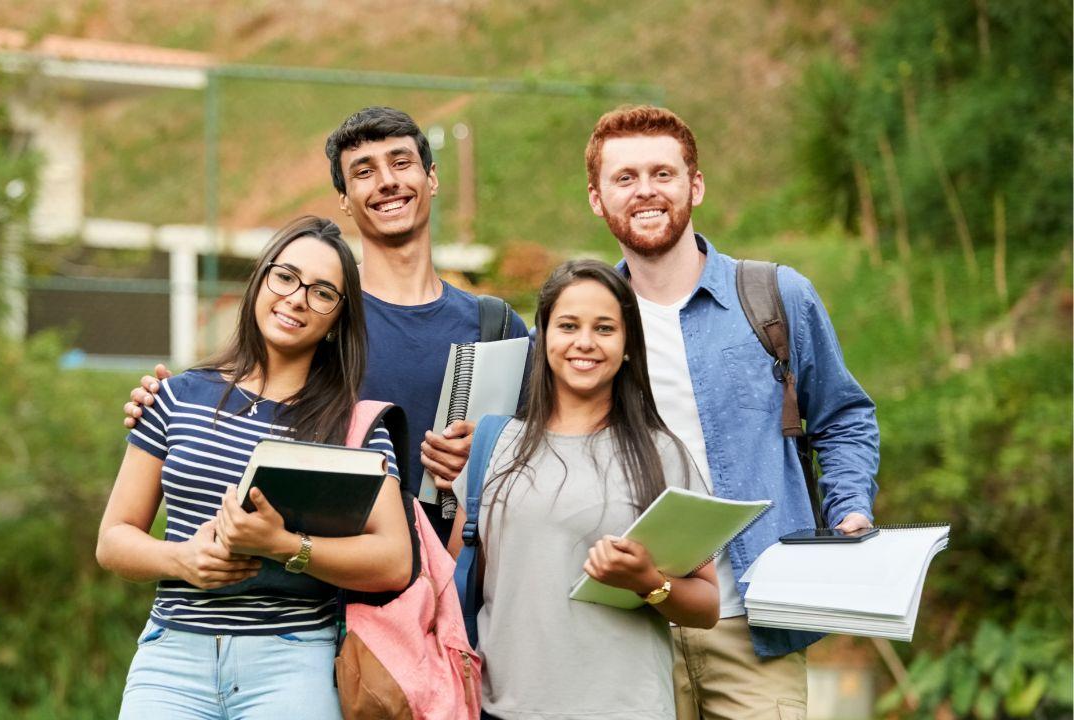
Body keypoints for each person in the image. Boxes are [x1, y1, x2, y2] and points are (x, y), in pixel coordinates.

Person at [584, 105, 880, 719]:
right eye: (625, 177)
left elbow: (844, 418)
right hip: (627, 628)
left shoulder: (775, 296)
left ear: (695, 185)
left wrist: (849, 508)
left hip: (756, 624)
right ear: (597, 198)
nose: (645, 190)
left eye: (662, 173)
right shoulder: (580, 326)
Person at [124, 107, 529, 543]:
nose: (387, 181)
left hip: (458, 590)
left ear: (431, 177)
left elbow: (547, 452)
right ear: (344, 199)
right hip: (328, 590)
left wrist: (489, 454)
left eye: (400, 163)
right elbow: (240, 401)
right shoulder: (315, 314)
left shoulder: (497, 326)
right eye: (364, 171)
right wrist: (168, 402)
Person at [96, 216, 413, 720]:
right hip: (171, 659)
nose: (296, 298)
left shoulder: (355, 427)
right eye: (285, 277)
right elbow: (113, 538)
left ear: (338, 318)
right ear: (261, 279)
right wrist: (181, 560)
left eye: (322, 292)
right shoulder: (176, 397)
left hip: (293, 661)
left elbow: (394, 561)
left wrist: (286, 547)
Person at [448, 259, 719, 720]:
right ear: (544, 335)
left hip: (626, 709)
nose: (585, 343)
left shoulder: (660, 455)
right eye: (568, 325)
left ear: (629, 344)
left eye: (605, 328)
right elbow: (458, 585)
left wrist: (650, 583)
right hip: (503, 707)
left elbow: (707, 606)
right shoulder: (494, 445)